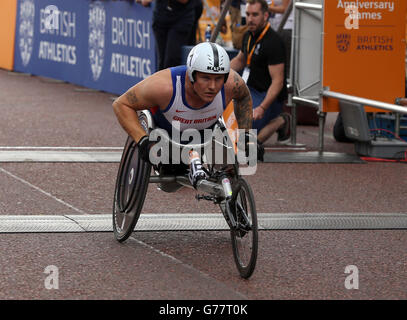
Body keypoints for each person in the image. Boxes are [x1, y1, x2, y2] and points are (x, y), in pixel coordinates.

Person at [112, 42, 261, 188]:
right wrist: (143, 140)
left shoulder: (232, 83)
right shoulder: (164, 87)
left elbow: (244, 97)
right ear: (191, 75)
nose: (213, 86)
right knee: (169, 184)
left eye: (218, 78)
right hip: (167, 138)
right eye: (205, 78)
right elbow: (121, 104)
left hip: (205, 134)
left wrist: (246, 136)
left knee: (231, 164)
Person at [230, 0, 290, 146]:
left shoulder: (273, 42)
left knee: (245, 143)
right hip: (249, 90)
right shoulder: (248, 35)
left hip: (267, 96)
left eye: (255, 15)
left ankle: (282, 120)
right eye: (248, 14)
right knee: (227, 128)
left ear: (265, 16)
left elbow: (278, 82)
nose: (250, 19)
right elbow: (240, 60)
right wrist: (217, 73)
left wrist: (262, 107)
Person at [139, 0, 202, 70]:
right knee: (161, 61)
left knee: (172, 60)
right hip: (161, 17)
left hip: (182, 17)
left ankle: (172, 79)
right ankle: (162, 80)